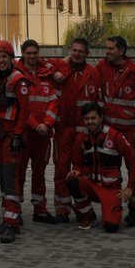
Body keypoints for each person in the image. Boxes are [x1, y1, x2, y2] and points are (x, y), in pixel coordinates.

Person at [96, 36, 135, 225]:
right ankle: (114, 204)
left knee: (134, 168)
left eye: (111, 49)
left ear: (121, 51)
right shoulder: (102, 67)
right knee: (111, 170)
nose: (107, 52)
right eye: (107, 48)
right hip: (110, 130)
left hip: (130, 131)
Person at [66, 102, 135, 232]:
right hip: (91, 185)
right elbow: (77, 162)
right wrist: (76, 170)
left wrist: (130, 188)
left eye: (93, 118)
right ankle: (88, 215)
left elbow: (133, 161)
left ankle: (112, 211)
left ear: (100, 118)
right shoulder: (81, 138)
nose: (90, 122)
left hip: (110, 189)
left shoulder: (115, 136)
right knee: (72, 180)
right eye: (87, 119)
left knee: (111, 227)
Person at [50, 37, 101, 221]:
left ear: (87, 53)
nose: (77, 54)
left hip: (84, 132)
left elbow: (98, 102)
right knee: (61, 169)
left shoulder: (93, 73)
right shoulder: (60, 69)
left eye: (81, 51)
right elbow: (37, 62)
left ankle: (83, 209)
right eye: (74, 50)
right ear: (69, 50)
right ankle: (62, 208)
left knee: (83, 172)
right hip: (63, 129)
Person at [0, 39, 31, 244]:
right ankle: (9, 217)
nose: (1, 60)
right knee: (3, 179)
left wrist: (18, 136)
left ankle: (11, 225)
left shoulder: (18, 80)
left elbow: (24, 112)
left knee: (11, 180)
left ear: (12, 58)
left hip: (11, 136)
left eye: (4, 57)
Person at [15, 39, 59, 223]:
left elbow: (53, 101)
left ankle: (40, 209)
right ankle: (14, 210)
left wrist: (47, 123)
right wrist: (35, 125)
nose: (32, 56)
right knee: (19, 172)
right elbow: (19, 106)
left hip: (42, 134)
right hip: (24, 134)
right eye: (28, 53)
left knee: (39, 173)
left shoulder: (46, 74)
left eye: (35, 53)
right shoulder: (16, 74)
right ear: (23, 54)